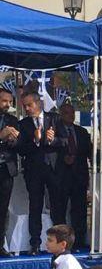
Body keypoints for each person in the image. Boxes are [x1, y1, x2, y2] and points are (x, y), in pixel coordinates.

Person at [16, 91, 64, 254]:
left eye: (29, 105)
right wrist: (35, 140)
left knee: (57, 205)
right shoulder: (23, 124)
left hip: (53, 169)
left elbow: (65, 141)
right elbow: (20, 148)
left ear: (39, 103)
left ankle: (61, 242)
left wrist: (53, 140)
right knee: (35, 206)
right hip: (33, 170)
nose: (27, 109)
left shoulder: (55, 119)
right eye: (24, 106)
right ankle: (35, 243)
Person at [56, 103, 91, 251]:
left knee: (79, 210)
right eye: (66, 113)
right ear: (61, 115)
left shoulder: (81, 132)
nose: (70, 116)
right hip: (61, 176)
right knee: (60, 210)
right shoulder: (55, 130)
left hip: (79, 176)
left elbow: (88, 152)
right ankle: (61, 241)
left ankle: (79, 240)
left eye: (72, 113)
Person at [0, 88, 18, 256]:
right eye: (4, 101)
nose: (8, 105)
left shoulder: (12, 120)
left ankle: (0, 245)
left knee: (3, 209)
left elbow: (18, 145)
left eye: (10, 102)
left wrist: (13, 139)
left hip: (6, 170)